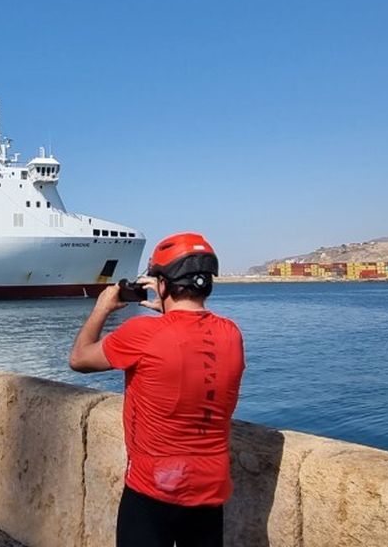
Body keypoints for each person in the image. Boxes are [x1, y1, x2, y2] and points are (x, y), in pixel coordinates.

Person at [69, 233, 245, 547]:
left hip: (152, 488)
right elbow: (188, 338)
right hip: (210, 489)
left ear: (162, 285)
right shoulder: (231, 333)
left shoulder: (142, 333)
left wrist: (102, 308)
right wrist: (168, 311)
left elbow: (79, 359)